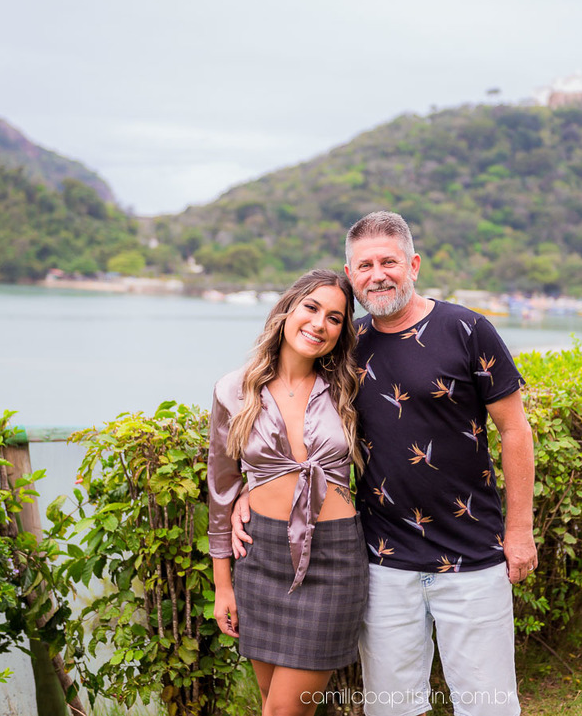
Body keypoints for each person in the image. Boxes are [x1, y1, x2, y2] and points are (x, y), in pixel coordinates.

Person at [235, 212, 538, 716]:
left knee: (489, 706)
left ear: (413, 265)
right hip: (382, 561)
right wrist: (253, 489)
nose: (377, 275)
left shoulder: (467, 329)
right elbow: (297, 422)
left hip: (473, 557)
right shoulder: (344, 347)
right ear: (350, 276)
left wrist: (520, 529)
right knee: (392, 708)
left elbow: (515, 430)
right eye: (365, 265)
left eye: (389, 262)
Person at [206, 269, 367, 716]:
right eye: (311, 308)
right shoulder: (233, 390)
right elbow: (221, 489)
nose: (319, 324)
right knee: (270, 703)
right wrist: (223, 586)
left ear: (342, 332)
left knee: (283, 710)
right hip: (260, 557)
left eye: (335, 318)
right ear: (286, 311)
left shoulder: (351, 388)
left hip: (334, 560)